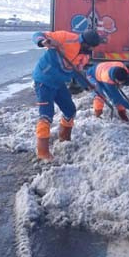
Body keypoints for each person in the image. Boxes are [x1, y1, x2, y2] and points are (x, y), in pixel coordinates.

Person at [32, 29, 101, 161]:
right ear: (86, 43)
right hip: (44, 80)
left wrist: (87, 85)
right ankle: (42, 151)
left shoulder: (84, 55)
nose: (93, 49)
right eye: (92, 46)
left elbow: (76, 72)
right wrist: (43, 41)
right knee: (46, 114)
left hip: (58, 83)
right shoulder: (66, 38)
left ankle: (64, 138)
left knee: (70, 110)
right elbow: (37, 34)